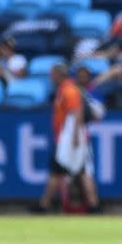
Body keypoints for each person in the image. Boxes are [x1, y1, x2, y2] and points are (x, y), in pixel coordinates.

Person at [33, 64, 101, 214]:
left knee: (58, 171)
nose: (50, 77)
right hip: (68, 138)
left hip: (69, 140)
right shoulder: (65, 89)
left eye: (52, 74)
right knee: (81, 171)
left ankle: (44, 205)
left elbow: (77, 112)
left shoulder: (69, 90)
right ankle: (93, 205)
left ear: (58, 74)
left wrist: (76, 136)